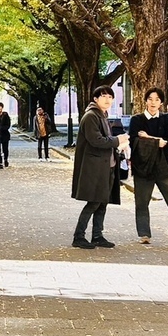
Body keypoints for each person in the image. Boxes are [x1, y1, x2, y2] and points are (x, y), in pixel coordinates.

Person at [71, 86, 129, 249]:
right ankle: (79, 236)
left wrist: (118, 144)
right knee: (94, 202)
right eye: (104, 96)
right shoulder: (91, 116)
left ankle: (97, 235)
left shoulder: (102, 115)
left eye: (110, 97)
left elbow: (106, 139)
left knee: (102, 202)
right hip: (94, 167)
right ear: (95, 98)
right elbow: (96, 140)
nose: (108, 99)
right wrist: (117, 140)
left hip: (106, 166)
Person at [129, 88, 168, 246]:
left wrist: (148, 138)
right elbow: (134, 142)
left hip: (163, 165)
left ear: (161, 102)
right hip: (142, 166)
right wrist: (157, 142)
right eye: (150, 99)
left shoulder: (167, 119)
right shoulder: (137, 120)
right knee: (141, 201)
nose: (153, 102)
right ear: (145, 101)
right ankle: (144, 234)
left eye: (157, 99)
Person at [0, 102, 12, 168]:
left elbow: (8, 125)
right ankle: (0, 162)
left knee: (5, 149)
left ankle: (5, 159)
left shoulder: (6, 115)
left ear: (2, 107)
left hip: (4, 135)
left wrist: (0, 129)